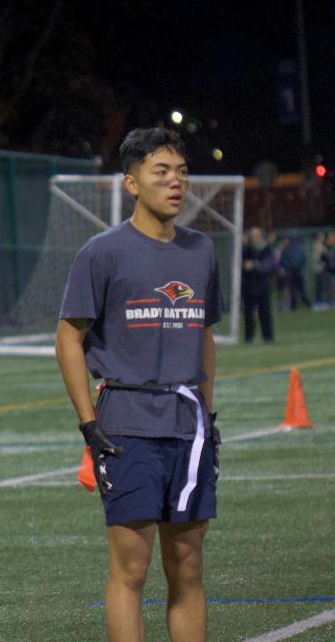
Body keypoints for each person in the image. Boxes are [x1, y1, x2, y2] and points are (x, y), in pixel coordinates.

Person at [55, 128, 221, 642]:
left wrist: (208, 417)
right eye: (161, 173)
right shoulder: (102, 252)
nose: (176, 183)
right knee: (131, 570)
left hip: (188, 425)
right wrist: (88, 423)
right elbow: (68, 338)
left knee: (188, 567)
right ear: (131, 183)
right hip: (127, 424)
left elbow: (205, 336)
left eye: (182, 173)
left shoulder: (202, 250)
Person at [241, 226, 275, 342]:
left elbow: (268, 267)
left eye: (257, 236)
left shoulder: (267, 249)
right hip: (249, 286)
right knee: (248, 313)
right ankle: (248, 337)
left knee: (265, 312)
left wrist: (254, 265)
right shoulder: (246, 249)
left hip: (262, 286)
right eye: (253, 236)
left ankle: (268, 337)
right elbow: (242, 266)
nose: (255, 238)